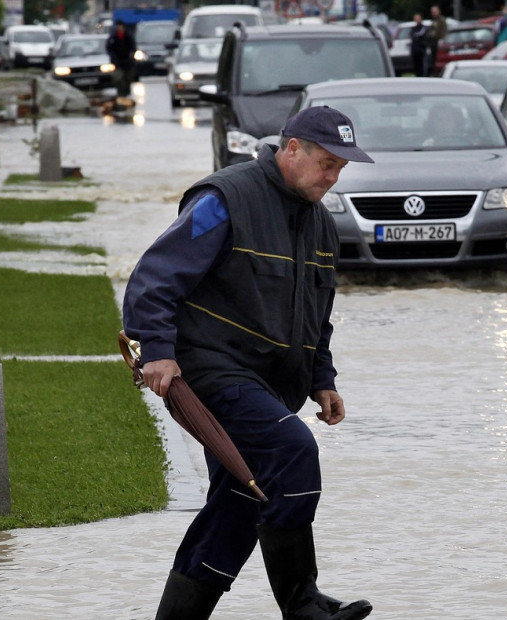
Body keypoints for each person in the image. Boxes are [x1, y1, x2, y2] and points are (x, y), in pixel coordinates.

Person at [122, 105, 376, 620]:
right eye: (326, 163)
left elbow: (317, 318)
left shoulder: (323, 228)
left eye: (341, 168)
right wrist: (159, 351)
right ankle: (301, 602)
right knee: (293, 451)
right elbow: (155, 277)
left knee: (240, 501)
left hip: (271, 385)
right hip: (210, 371)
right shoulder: (225, 199)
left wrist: (322, 380)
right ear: (291, 149)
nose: (332, 177)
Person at [105, 19, 136, 97]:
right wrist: (113, 58)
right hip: (117, 62)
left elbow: (133, 47)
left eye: (121, 26)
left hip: (128, 62)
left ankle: (127, 92)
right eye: (118, 26)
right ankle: (121, 93)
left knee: (128, 78)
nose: (120, 28)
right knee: (118, 78)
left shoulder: (128, 36)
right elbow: (109, 49)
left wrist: (131, 56)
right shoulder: (113, 37)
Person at [427, 5, 448, 76]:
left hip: (438, 42)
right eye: (432, 12)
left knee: (438, 59)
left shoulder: (441, 20)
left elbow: (443, 31)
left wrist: (442, 40)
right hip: (433, 42)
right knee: (433, 59)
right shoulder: (433, 20)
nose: (434, 13)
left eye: (435, 12)